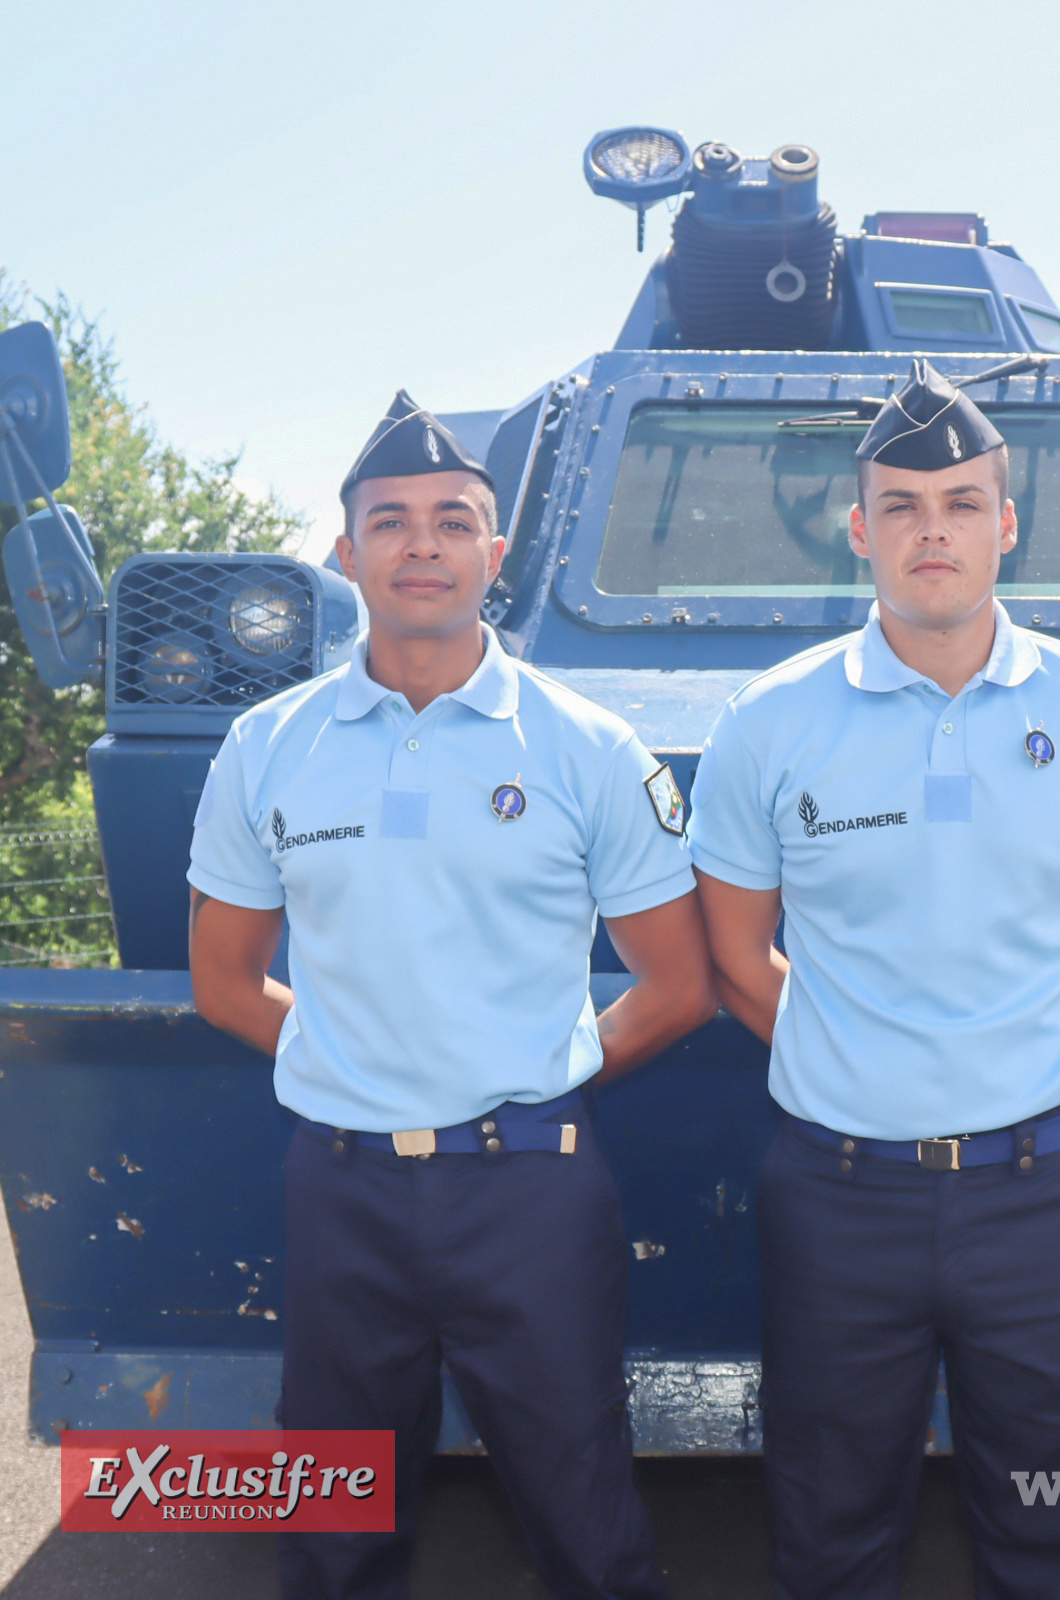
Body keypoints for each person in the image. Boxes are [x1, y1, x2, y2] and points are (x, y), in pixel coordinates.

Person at [187, 392, 716, 1600]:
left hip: (529, 1183)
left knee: (581, 1506)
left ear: (496, 551)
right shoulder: (267, 745)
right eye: (390, 521)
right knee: (333, 1508)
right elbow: (224, 978)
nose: (421, 543)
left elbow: (677, 986)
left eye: (451, 520)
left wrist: (530, 1076)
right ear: (345, 553)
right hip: (343, 1181)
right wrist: (353, 1061)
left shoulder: (585, 745)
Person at [688, 361, 1060, 1600]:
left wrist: (1021, 1046)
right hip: (838, 1188)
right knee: (829, 1510)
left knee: (1052, 1512)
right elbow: (736, 955)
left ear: (1005, 526)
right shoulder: (769, 721)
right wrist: (863, 1063)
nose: (933, 530)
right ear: (858, 530)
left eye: (962, 503)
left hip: (1045, 1190)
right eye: (903, 505)